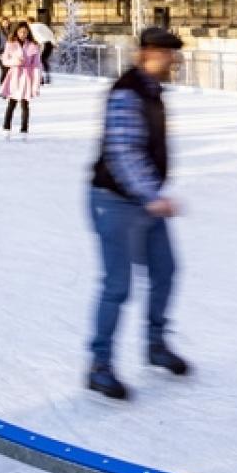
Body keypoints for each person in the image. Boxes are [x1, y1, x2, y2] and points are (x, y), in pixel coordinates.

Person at [85, 26, 189, 399]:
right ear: (147, 53)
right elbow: (123, 151)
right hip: (114, 201)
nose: (174, 61)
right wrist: (151, 196)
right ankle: (99, 366)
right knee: (117, 285)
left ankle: (155, 345)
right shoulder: (127, 92)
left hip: (144, 201)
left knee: (165, 271)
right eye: (168, 54)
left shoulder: (151, 91)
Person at [0, 21, 43, 138]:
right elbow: (5, 60)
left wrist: (36, 83)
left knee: (25, 104)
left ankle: (24, 129)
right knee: (11, 103)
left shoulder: (34, 45)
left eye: (25, 32)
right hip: (14, 76)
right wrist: (15, 62)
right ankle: (6, 127)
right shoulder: (10, 44)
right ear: (17, 32)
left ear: (28, 32)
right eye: (21, 32)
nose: (23, 34)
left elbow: (37, 66)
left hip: (27, 77)